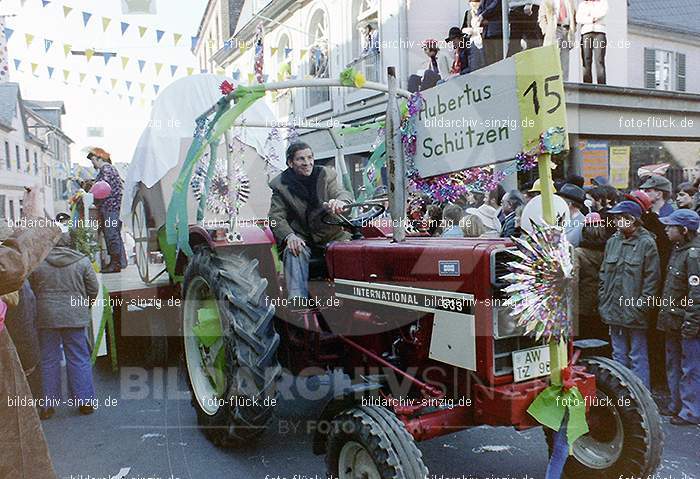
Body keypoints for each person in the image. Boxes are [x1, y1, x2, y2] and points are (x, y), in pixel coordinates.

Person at [0, 223, 62, 478]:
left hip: (47, 322)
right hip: (54, 325)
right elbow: (24, 320)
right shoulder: (16, 286)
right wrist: (36, 221)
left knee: (53, 361)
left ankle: (47, 404)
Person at [30, 231, 100, 419]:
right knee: (78, 357)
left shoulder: (38, 263)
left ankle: (47, 406)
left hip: (46, 316)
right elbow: (93, 288)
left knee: (48, 359)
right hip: (74, 316)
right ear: (70, 244)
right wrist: (85, 306)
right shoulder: (82, 261)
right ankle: (84, 402)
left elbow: (31, 288)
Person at [268, 142, 352, 300]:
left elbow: (342, 193)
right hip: (303, 238)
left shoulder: (326, 175)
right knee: (294, 250)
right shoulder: (281, 185)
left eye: (310, 157)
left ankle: (352, 297)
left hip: (332, 235)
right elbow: (275, 217)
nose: (307, 163)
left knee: (353, 250)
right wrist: (289, 236)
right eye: (301, 159)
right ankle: (297, 301)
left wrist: (341, 202)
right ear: (290, 163)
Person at [599, 200, 660, 390]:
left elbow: (652, 280)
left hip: (634, 311)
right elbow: (603, 275)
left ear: (631, 220)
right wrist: (604, 300)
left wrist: (642, 306)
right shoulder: (612, 242)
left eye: (619, 218)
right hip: (613, 309)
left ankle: (641, 398)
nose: (615, 222)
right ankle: (622, 397)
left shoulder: (647, 243)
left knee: (637, 356)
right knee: (618, 355)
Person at [657, 209, 700, 426]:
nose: (666, 229)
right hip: (673, 320)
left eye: (670, 226)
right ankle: (677, 405)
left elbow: (696, 295)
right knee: (673, 364)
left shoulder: (693, 254)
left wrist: (691, 324)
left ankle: (690, 411)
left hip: (686, 322)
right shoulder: (678, 250)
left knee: (690, 369)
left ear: (684, 230)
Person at [88, 147, 126, 273]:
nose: (92, 163)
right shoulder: (109, 169)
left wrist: (90, 194)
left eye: (93, 159)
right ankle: (120, 262)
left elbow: (101, 189)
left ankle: (115, 264)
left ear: (99, 158)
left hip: (110, 208)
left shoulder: (106, 169)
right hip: (113, 208)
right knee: (114, 234)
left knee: (111, 234)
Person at [538, 0, 576, 80]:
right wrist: (546, 30)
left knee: (564, 61)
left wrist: (573, 30)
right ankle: (550, 84)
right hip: (554, 30)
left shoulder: (570, 1)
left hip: (566, 31)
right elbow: (541, 16)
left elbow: (574, 16)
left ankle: (564, 85)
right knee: (551, 59)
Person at [576, 0, 608, 84]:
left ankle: (601, 85)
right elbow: (579, 18)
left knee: (599, 59)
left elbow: (602, 13)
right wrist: (592, 19)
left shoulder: (602, 2)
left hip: (599, 32)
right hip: (586, 33)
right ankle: (587, 84)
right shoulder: (582, 5)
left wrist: (588, 16)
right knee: (586, 59)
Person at [476, 0, 504, 66]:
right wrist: (480, 18)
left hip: (496, 31)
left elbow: (496, 4)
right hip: (486, 32)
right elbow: (480, 9)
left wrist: (483, 16)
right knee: (488, 59)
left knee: (498, 59)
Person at [461, 0, 486, 72]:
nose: (474, 4)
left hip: (483, 42)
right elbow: (463, 29)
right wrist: (466, 30)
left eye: (477, 2)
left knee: (483, 63)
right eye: (472, 2)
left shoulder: (484, 12)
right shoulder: (468, 13)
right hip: (472, 42)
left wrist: (479, 30)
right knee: (473, 64)